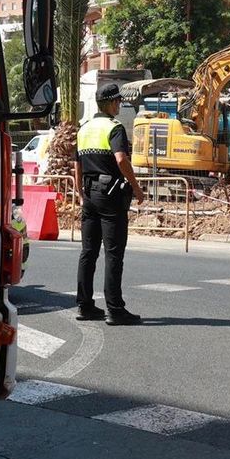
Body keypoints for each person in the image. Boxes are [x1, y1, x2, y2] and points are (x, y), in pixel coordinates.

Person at [74, 82, 144, 326]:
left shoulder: (83, 129)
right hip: (111, 197)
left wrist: (80, 193)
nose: (119, 106)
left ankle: (85, 306)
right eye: (118, 102)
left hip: (90, 196)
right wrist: (136, 186)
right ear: (113, 103)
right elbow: (121, 159)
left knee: (88, 252)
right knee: (113, 254)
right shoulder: (114, 128)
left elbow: (77, 165)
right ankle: (115, 309)